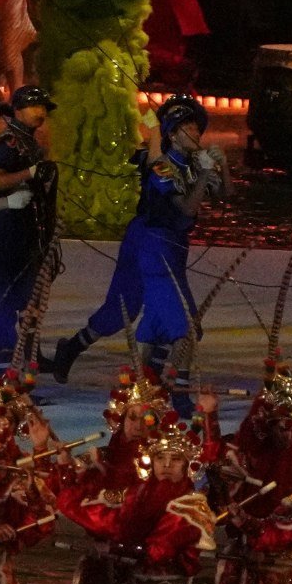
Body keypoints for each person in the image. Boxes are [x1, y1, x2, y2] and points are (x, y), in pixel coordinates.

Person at [43, 97, 224, 384]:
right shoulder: (160, 162)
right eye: (186, 127)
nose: (196, 133)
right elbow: (179, 196)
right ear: (171, 132)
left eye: (196, 126)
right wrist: (198, 169)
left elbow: (222, 193)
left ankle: (141, 370)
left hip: (172, 243)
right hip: (148, 240)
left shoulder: (191, 163)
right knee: (131, 309)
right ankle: (144, 371)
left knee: (149, 311)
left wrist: (219, 167)